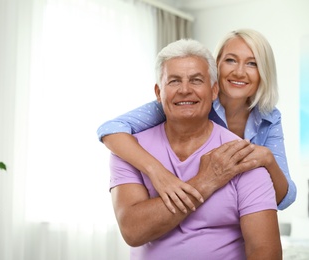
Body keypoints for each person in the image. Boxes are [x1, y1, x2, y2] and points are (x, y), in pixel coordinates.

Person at [109, 38, 282, 259]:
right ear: (158, 93)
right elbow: (133, 231)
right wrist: (206, 180)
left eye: (196, 80)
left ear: (213, 91)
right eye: (173, 81)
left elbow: (265, 251)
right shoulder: (130, 151)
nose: (184, 90)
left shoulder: (242, 156)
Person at [98, 28, 296, 214]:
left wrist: (268, 159)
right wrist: (156, 172)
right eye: (230, 60)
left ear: (264, 72)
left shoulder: (269, 118)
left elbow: (283, 199)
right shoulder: (190, 103)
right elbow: (111, 129)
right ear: (217, 66)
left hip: (244, 219)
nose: (239, 72)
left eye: (252, 63)